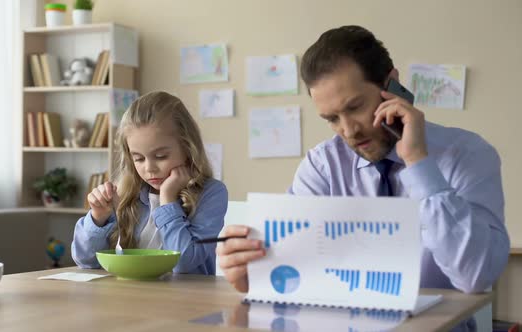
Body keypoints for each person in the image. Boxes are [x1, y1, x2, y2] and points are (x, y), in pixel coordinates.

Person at [217, 26, 509, 329]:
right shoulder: (322, 166)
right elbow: (297, 269)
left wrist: (418, 162)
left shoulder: (468, 154)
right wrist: (253, 274)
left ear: (392, 85)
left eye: (355, 107)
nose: (349, 131)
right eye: (331, 119)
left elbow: (475, 276)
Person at [72, 91, 228, 275]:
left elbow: (184, 262)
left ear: (188, 148)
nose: (150, 168)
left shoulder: (211, 193)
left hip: (185, 301)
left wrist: (168, 200)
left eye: (161, 156)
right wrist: (98, 219)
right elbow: (85, 260)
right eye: (138, 158)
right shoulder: (124, 193)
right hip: (129, 298)